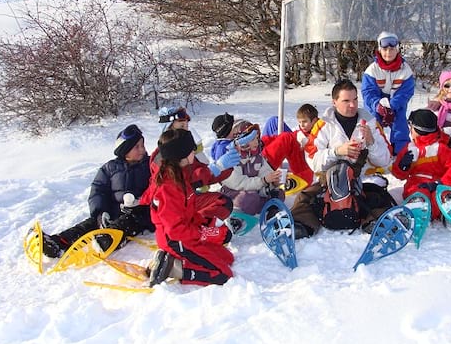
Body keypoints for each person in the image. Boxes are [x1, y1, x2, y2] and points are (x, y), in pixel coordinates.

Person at [291, 79, 394, 238]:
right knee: (305, 196)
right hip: (331, 181)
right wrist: (337, 151)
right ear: (334, 102)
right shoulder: (323, 125)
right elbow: (314, 162)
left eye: (355, 99)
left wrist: (371, 143)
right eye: (346, 101)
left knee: (378, 195)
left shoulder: (371, 123)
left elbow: (386, 160)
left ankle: (375, 223)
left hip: (361, 179)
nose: (352, 105)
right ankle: (300, 225)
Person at [34, 124, 155, 258]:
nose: (142, 150)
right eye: (136, 147)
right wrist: (100, 212)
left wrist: (141, 203)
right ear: (125, 150)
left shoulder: (150, 166)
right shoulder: (110, 168)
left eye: (142, 145)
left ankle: (106, 241)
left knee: (126, 223)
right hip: (113, 211)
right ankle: (58, 242)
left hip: (138, 212)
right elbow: (98, 190)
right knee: (89, 224)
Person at [143, 129, 234, 287]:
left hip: (187, 232)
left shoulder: (181, 173)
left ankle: (173, 261)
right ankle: (174, 270)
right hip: (176, 240)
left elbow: (188, 209)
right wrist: (203, 233)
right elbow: (175, 230)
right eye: (191, 150)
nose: (194, 152)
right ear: (181, 156)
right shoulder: (168, 187)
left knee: (228, 258)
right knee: (223, 274)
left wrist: (204, 225)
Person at [392, 109, 451, 220]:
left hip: (438, 182)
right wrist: (402, 166)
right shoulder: (410, 149)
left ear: (415, 129)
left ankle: (446, 205)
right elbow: (399, 175)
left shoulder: (440, 148)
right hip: (417, 182)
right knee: (418, 192)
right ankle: (419, 205)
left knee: (439, 194)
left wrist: (442, 182)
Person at [361, 31, 415, 155]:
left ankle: (400, 152)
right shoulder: (372, 70)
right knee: (372, 122)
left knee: (400, 123)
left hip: (396, 102)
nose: (388, 53)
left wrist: (392, 106)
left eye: (392, 49)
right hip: (377, 103)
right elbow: (368, 92)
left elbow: (406, 92)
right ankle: (371, 149)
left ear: (397, 50)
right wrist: (378, 106)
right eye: (384, 49)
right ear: (379, 50)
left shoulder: (405, 69)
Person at [220, 121, 285, 215]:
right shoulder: (232, 158)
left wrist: (273, 182)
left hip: (254, 191)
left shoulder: (257, 157)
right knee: (250, 198)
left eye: (257, 138)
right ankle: (237, 212)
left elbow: (265, 173)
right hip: (234, 194)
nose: (257, 142)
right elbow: (239, 183)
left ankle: (268, 210)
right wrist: (263, 181)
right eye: (253, 139)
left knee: (278, 194)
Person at [260, 104, 319, 186]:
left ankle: (264, 165)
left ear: (314, 120)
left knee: (286, 137)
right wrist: (262, 142)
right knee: (274, 122)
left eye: (305, 122)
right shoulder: (301, 133)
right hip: (300, 162)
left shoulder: (321, 133)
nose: (302, 125)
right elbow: (280, 138)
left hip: (307, 172)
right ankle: (259, 152)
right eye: (300, 122)